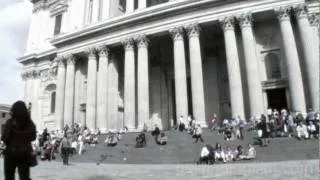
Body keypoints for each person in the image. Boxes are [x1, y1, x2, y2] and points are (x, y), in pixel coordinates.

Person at [1, 101, 36, 180]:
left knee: (9, 177)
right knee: (24, 177)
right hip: (25, 153)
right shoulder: (30, 123)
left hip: (11, 153)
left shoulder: (10, 122)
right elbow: (33, 137)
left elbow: (4, 138)